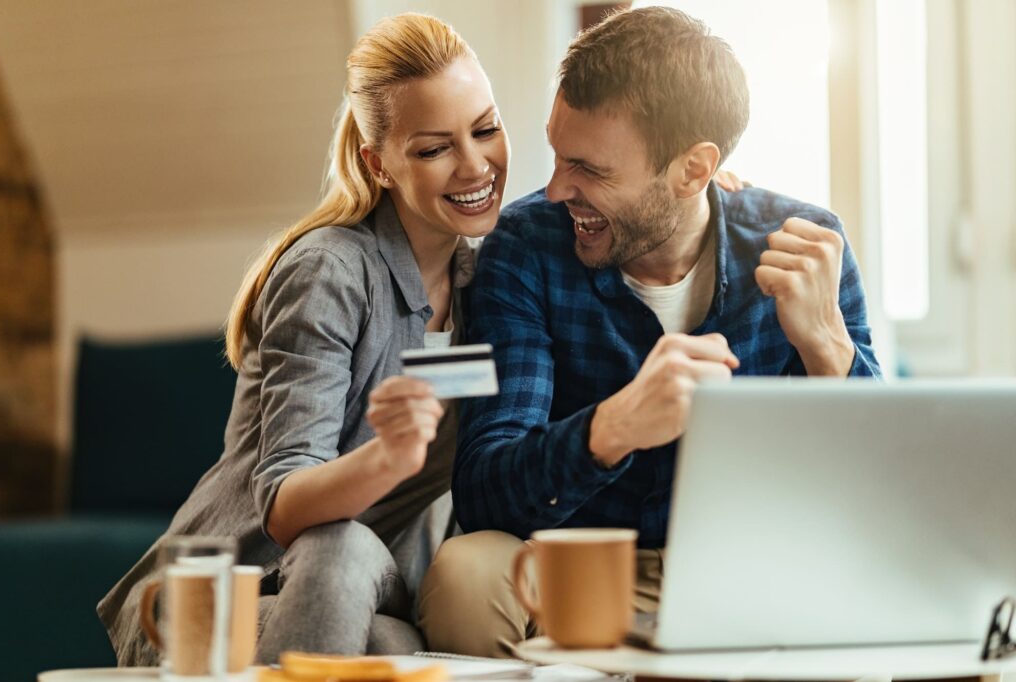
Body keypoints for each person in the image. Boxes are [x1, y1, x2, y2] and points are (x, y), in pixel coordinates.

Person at [417, 6, 881, 657]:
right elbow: (486, 488)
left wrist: (829, 347)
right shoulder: (525, 247)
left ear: (693, 170)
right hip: (581, 573)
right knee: (466, 575)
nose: (554, 190)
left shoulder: (805, 249)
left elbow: (881, 495)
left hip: (751, 574)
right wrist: (613, 428)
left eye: (590, 171)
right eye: (556, 156)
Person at [97, 13, 510, 663]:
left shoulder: (485, 282)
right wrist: (390, 458)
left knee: (403, 641)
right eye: (434, 149)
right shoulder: (332, 270)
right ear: (379, 164)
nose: (475, 164)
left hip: (361, 594)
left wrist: (709, 203)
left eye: (485, 129)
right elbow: (287, 507)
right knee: (343, 559)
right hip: (222, 598)